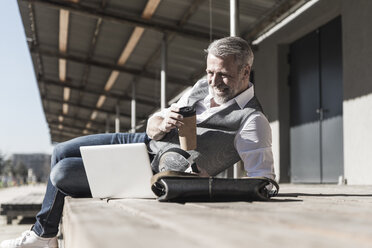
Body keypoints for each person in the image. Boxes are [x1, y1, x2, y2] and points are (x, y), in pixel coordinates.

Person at [0, 36, 275, 248]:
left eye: (223, 74)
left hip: (154, 172)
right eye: (209, 72)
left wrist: (204, 183)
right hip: (144, 141)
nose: (213, 81)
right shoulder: (203, 86)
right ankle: (45, 235)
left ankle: (43, 236)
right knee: (61, 151)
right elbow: (155, 126)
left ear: (245, 71)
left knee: (62, 173)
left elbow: (263, 182)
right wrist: (160, 120)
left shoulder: (251, 120)